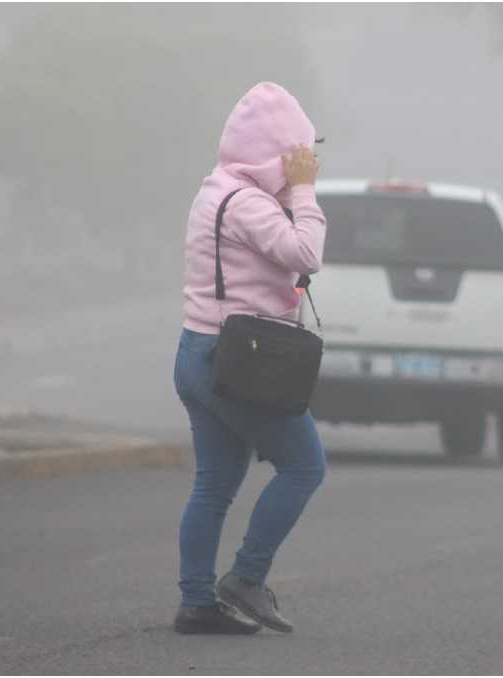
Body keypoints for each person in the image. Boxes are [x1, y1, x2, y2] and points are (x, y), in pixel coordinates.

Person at [172, 82, 326, 635]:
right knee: (305, 466)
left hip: (198, 352)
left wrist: (291, 189)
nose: (307, 164)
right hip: (237, 362)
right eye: (300, 153)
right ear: (274, 152)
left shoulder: (218, 190)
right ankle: (245, 578)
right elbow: (306, 253)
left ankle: (196, 602)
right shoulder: (247, 204)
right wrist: (304, 191)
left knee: (215, 482)